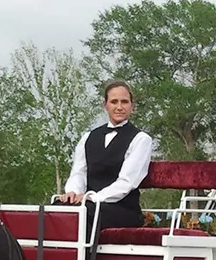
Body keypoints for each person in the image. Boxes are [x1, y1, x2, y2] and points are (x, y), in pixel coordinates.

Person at [56, 79, 153, 242]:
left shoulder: (141, 139)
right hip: (90, 204)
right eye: (114, 102)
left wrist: (92, 197)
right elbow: (79, 172)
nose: (119, 107)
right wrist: (72, 192)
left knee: (85, 213)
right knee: (56, 210)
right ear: (105, 105)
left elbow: (127, 182)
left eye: (124, 102)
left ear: (132, 105)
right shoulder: (88, 137)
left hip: (122, 210)